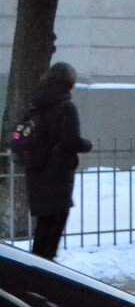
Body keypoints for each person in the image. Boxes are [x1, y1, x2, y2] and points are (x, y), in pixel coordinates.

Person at [23, 62, 92, 260]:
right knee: (55, 224)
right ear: (69, 82)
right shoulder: (66, 107)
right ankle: (44, 275)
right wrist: (86, 145)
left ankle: (36, 268)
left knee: (44, 225)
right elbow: (70, 140)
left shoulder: (36, 103)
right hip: (57, 173)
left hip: (36, 170)